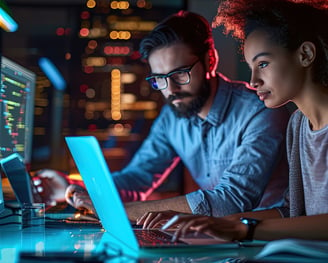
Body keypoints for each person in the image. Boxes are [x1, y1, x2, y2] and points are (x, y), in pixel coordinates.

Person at [65, 10, 290, 222]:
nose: (170, 89)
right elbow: (139, 177)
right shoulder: (172, 116)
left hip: (269, 243)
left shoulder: (260, 112)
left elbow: (230, 200)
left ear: (210, 60)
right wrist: (83, 188)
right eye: (160, 79)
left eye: (180, 73)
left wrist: (114, 211)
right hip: (219, 238)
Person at [157, 0, 328, 241]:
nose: (254, 80)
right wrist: (213, 223)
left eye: (264, 64)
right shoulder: (298, 124)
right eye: (251, 67)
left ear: (305, 54)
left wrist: (244, 229)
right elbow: (292, 213)